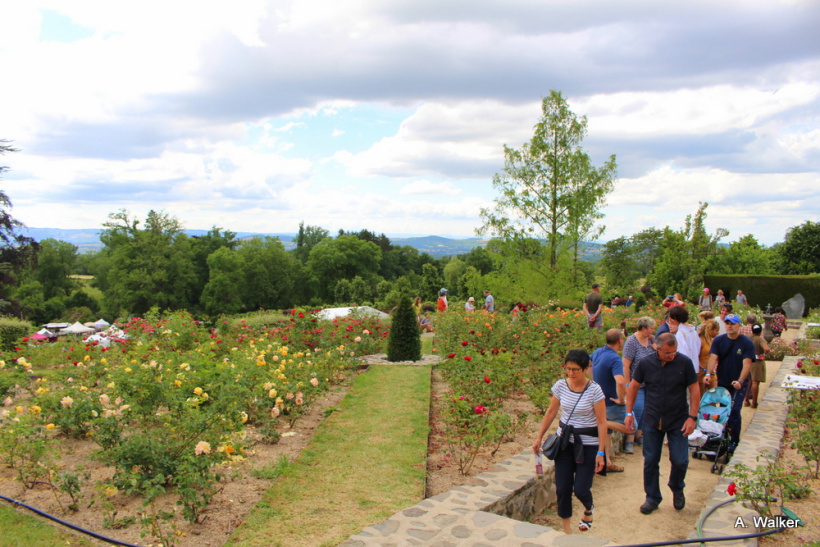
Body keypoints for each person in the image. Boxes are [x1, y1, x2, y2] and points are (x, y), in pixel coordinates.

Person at [533, 350, 607, 534]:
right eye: (568, 369)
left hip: (587, 444)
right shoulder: (561, 386)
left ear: (585, 370)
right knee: (563, 489)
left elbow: (601, 422)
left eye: (575, 370)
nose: (571, 373)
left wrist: (601, 452)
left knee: (581, 489)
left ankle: (589, 508)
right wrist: (539, 436)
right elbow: (551, 411)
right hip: (565, 442)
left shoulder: (594, 390)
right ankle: (567, 532)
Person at [625, 333, 700, 515]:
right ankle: (652, 497)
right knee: (650, 461)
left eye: (674, 351)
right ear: (657, 348)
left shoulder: (684, 363)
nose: (672, 355)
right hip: (652, 419)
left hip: (678, 420)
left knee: (680, 460)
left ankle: (676, 486)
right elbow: (634, 386)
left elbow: (694, 389)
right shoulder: (645, 363)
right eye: (668, 352)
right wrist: (629, 413)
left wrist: (692, 417)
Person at [704, 313, 755, 451]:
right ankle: (719, 436)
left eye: (733, 323)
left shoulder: (746, 343)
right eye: (727, 323)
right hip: (723, 381)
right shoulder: (719, 340)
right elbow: (713, 358)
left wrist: (740, 381)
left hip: (739, 383)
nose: (730, 326)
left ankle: (734, 441)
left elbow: (747, 364)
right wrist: (708, 374)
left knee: (734, 411)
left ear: (739, 325)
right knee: (721, 410)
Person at [591, 329, 628, 473]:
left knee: (606, 433)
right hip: (611, 402)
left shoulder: (599, 352)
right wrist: (621, 398)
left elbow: (588, 362)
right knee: (631, 427)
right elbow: (620, 381)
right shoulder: (615, 358)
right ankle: (603, 423)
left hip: (600, 399)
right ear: (619, 340)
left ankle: (607, 462)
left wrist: (594, 382)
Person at [622, 316, 657, 453]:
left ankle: (639, 435)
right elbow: (626, 365)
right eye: (651, 328)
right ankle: (629, 440)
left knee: (646, 410)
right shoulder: (632, 342)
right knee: (636, 409)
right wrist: (627, 384)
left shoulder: (651, 340)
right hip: (636, 384)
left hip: (650, 383)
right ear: (644, 328)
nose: (653, 331)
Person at [745, 324, 770, 408]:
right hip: (757, 361)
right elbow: (767, 348)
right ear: (760, 331)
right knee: (755, 382)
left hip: (748, 360)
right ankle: (754, 402)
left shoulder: (748, 337)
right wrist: (764, 354)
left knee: (749, 381)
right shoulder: (760, 339)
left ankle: (746, 400)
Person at [697, 319, 720, 394]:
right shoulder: (701, 341)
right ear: (710, 330)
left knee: (713, 395)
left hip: (710, 372)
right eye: (716, 330)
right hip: (701, 371)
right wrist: (702, 368)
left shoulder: (712, 341)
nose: (717, 333)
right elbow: (696, 356)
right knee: (700, 397)